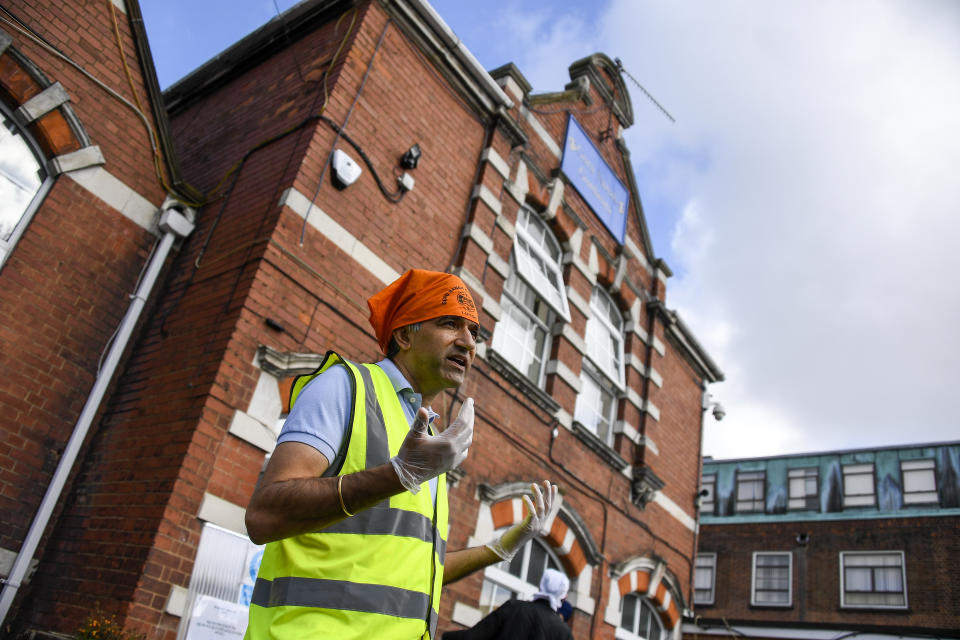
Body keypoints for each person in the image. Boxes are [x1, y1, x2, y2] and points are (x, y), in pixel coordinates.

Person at [243, 269, 560, 640]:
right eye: (450, 324)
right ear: (404, 333)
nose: (469, 343)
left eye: (474, 332)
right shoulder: (346, 386)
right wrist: (398, 475)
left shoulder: (432, 441)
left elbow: (417, 576)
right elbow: (263, 516)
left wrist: (499, 548)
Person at [441, 569, 574, 640]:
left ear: (541, 586)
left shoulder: (514, 607)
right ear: (563, 596)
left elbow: (473, 637)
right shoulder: (564, 633)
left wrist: (444, 636)